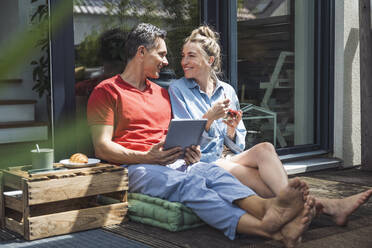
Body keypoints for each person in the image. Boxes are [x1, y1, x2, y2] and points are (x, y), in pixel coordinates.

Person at [87, 23, 314, 248]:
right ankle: (267, 228)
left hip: (170, 161)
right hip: (135, 167)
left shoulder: (161, 94)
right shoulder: (107, 91)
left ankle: (268, 211)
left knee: (214, 173)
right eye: (162, 54)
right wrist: (148, 157)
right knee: (190, 185)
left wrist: (188, 151)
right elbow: (102, 148)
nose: (167, 62)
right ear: (141, 52)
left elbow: (174, 135)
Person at [168, 25, 372, 226]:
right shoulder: (178, 89)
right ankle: (328, 206)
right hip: (203, 162)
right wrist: (209, 117)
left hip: (226, 156)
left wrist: (231, 130)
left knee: (265, 147)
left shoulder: (227, 91)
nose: (184, 61)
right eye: (183, 55)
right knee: (258, 180)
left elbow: (238, 142)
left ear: (209, 60)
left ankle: (319, 208)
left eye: (191, 56)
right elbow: (185, 137)